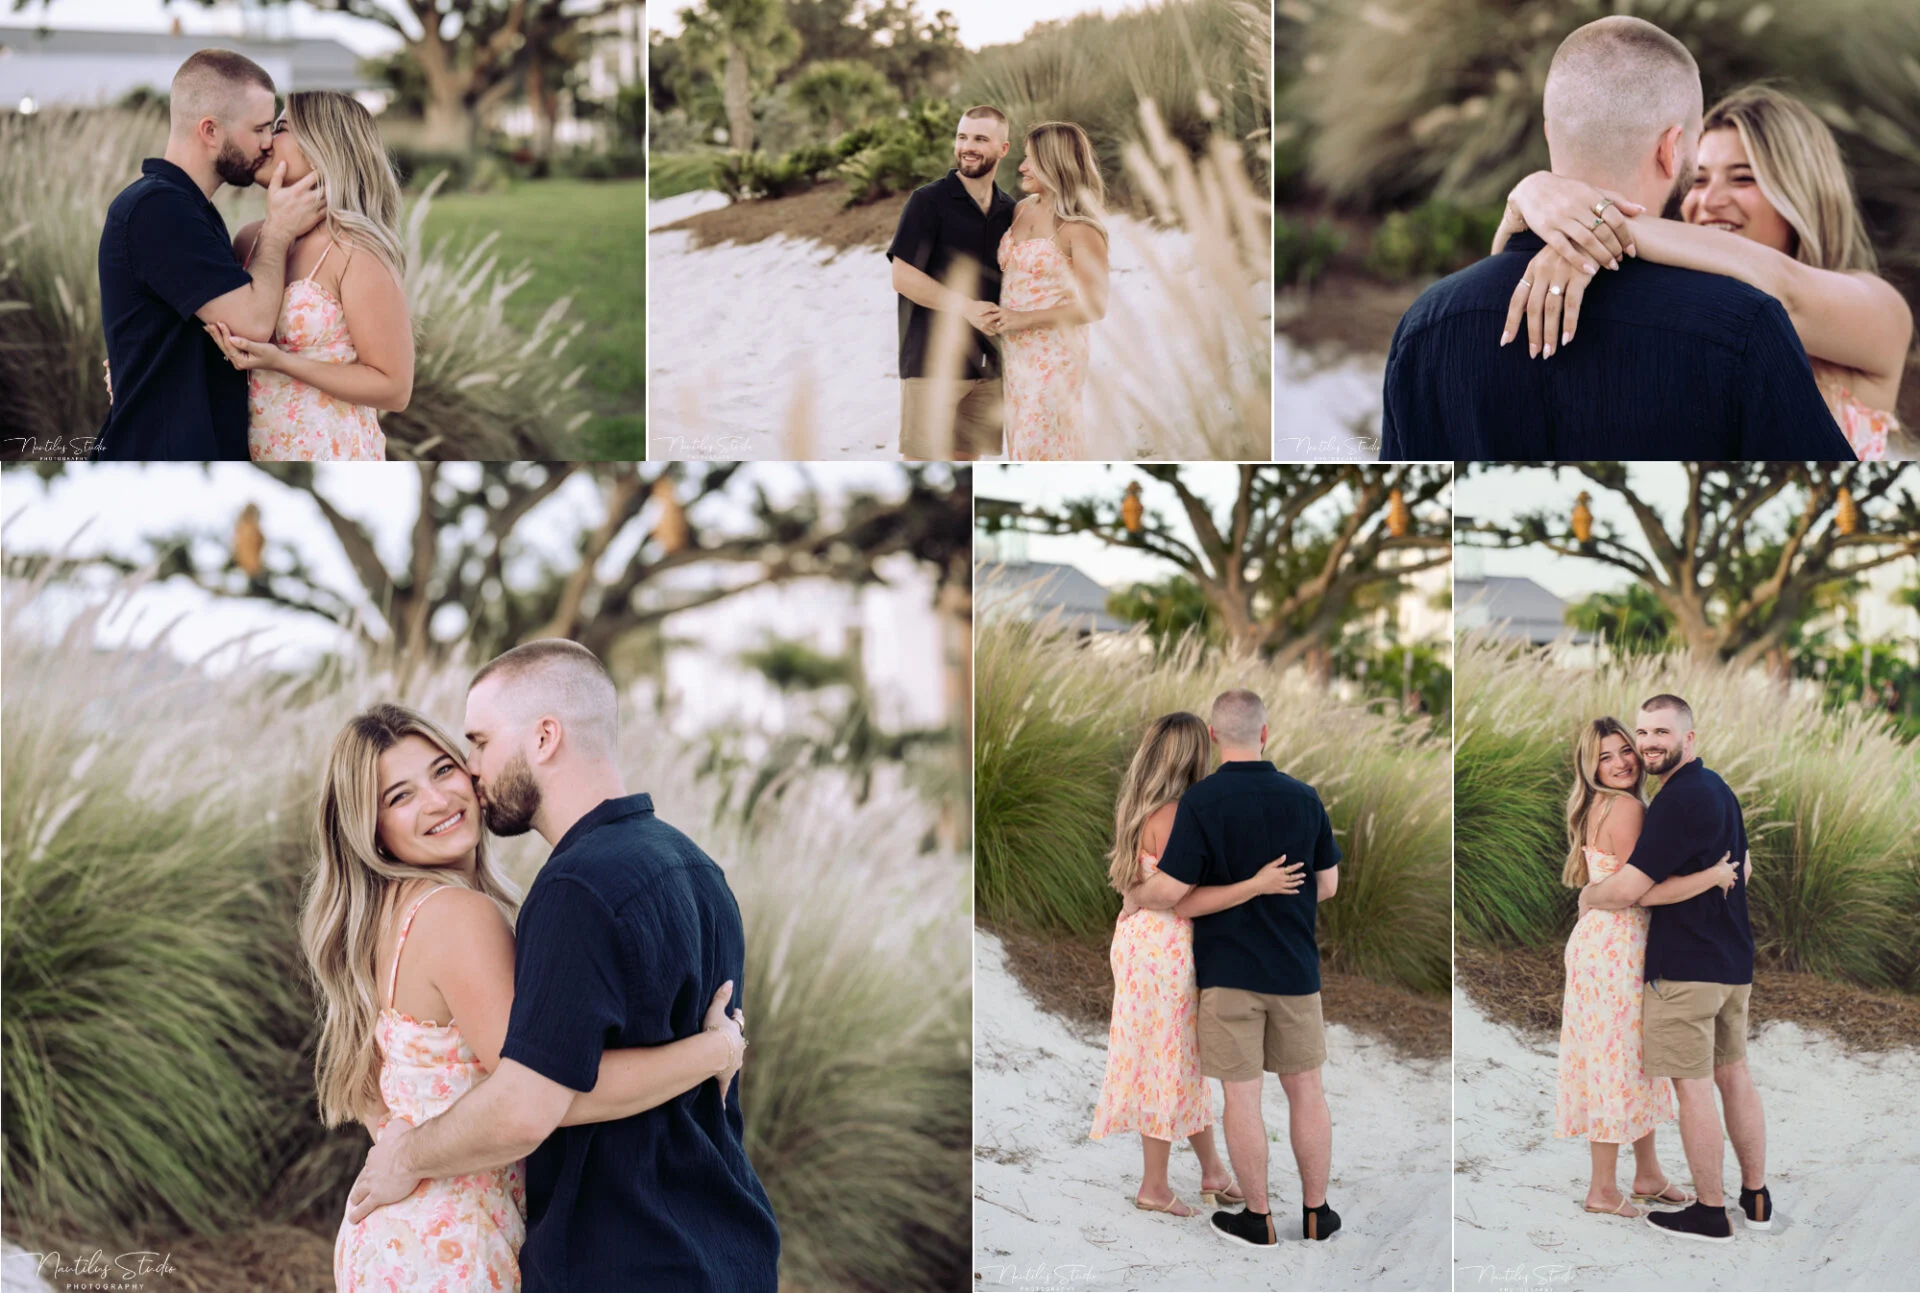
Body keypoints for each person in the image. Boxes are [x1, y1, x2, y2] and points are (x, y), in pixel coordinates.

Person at [342, 642, 780, 1290]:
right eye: (402, 793)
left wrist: (407, 1151)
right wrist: (716, 1050)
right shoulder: (697, 866)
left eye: (478, 744)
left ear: (545, 737)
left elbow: (527, 1102)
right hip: (722, 1242)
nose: (471, 770)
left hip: (624, 1255)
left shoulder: (574, 888)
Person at [1378, 15, 1855, 461]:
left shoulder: (1424, 325)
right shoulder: (1745, 324)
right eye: (1699, 164)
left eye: (1743, 178)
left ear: (1550, 133)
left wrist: (1541, 195)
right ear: (1672, 149)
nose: (1712, 198)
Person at [1494, 85, 1911, 460]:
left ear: (1804, 191)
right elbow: (1500, 314)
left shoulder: (1881, 309)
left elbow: (1787, 292)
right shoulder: (1676, 305)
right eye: (1698, 179)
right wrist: (1528, 201)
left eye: (1743, 178)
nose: (1710, 201)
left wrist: (1583, 219)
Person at [1125, 690, 1343, 1249]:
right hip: (1296, 972)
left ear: (1216, 737)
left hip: (1227, 976)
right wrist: (1277, 900)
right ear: (1265, 733)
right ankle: (1317, 1213)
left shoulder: (1200, 802)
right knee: (1307, 1091)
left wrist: (1135, 890)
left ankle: (1259, 1218)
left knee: (1241, 1100)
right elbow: (1327, 886)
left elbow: (1177, 895)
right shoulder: (1305, 798)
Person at [1091, 712, 1302, 1217]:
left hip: (1138, 942)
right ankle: (1154, 1187)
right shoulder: (1181, 813)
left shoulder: (1139, 808)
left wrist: (1132, 896)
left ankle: (1212, 1171)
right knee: (1166, 1061)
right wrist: (1252, 884)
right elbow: (1174, 891)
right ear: (1193, 755)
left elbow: (1144, 886)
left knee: (1176, 1058)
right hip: (1167, 947)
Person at [1580, 695, 1773, 1243]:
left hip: (1686, 971)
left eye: (1660, 731)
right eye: (1643, 732)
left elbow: (1631, 890)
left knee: (1693, 1089)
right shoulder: (1720, 791)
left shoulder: (1674, 801)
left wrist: (1590, 897)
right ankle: (1754, 1197)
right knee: (1734, 1077)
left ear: (1691, 737)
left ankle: (1710, 1211)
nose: (1647, 743)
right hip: (1734, 964)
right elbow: (1746, 867)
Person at [94, 49, 325, 460]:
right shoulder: (158, 209)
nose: (268, 142)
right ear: (210, 131)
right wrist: (278, 231)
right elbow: (252, 324)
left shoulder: (188, 208)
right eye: (258, 129)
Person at [1555, 716, 1741, 1221]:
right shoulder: (1630, 807)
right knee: (1617, 1063)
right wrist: (1713, 875)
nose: (1619, 763)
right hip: (1617, 945)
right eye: (1605, 756)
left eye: (1623, 751)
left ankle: (1648, 1174)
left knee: (1629, 1059)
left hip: (1603, 942)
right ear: (1589, 765)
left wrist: (1589, 897)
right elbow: (1645, 891)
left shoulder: (1599, 803)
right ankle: (1601, 1189)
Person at [210, 90, 415, 459]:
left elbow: (395, 388)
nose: (267, 139)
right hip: (256, 449)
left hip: (332, 451)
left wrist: (282, 361)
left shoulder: (355, 252)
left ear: (324, 147)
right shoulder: (250, 241)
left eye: (282, 127)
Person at [886, 105, 1019, 461]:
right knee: (924, 465)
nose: (967, 146)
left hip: (989, 367)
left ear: (1003, 149)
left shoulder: (1011, 209)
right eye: (962, 137)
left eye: (980, 138)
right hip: (932, 363)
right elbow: (903, 277)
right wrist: (966, 309)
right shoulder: (927, 201)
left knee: (968, 469)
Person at [989, 121, 1110, 460]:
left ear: (1056, 164)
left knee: (1037, 443)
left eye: (1032, 159)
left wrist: (1022, 318)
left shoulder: (1080, 230)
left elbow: (1095, 307)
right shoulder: (1022, 209)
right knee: (1020, 445)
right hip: (1014, 353)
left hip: (1054, 354)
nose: (1022, 167)